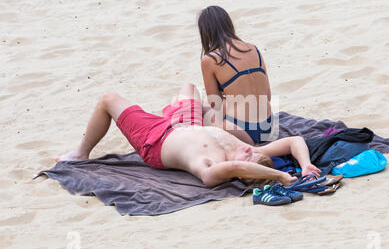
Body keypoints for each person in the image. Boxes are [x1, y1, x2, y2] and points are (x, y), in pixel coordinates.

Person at [56, 83, 320, 188]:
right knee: (189, 87)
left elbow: (239, 165)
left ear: (240, 172)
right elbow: (295, 141)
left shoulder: (212, 168)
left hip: (155, 140)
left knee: (108, 99)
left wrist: (281, 176)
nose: (251, 151)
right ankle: (194, 110)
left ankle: (81, 151)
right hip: (186, 123)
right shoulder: (251, 153)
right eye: (255, 153)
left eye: (251, 157)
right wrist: (305, 165)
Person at [198, 5, 273, 145]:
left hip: (240, 129)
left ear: (205, 32)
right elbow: (267, 96)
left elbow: (216, 103)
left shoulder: (210, 59)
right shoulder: (253, 48)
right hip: (267, 126)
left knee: (205, 112)